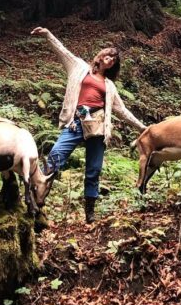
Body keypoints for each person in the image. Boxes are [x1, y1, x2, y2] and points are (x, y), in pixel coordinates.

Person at [30, 26, 146, 223]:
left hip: (98, 127)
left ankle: (89, 215)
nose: (109, 60)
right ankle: (37, 203)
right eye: (108, 56)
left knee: (94, 169)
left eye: (113, 60)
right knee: (55, 158)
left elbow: (122, 110)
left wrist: (142, 127)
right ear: (101, 56)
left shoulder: (109, 86)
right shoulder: (78, 67)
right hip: (75, 123)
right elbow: (63, 51)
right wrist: (48, 34)